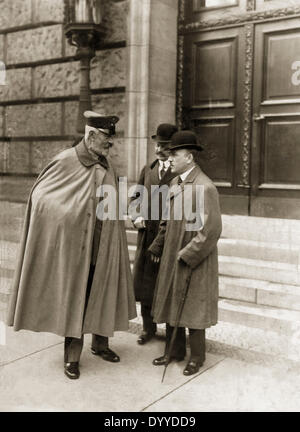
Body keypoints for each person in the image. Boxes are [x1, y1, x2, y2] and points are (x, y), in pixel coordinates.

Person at [6, 110, 137, 380]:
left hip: (104, 244)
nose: (109, 146)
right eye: (105, 140)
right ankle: (72, 357)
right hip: (77, 247)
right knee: (77, 297)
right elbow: (41, 198)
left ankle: (100, 345)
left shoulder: (106, 163)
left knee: (102, 292)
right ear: (90, 136)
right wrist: (72, 215)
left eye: (110, 142)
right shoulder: (66, 160)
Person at [148, 130, 222, 376]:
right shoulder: (174, 184)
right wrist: (158, 245)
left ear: (189, 158)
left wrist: (188, 254)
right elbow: (167, 221)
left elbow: (210, 231)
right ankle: (174, 351)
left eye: (174, 155)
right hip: (172, 253)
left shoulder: (205, 187)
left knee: (193, 307)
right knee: (172, 302)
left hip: (194, 260)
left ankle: (197, 357)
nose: (170, 160)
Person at [130, 124, 178, 345]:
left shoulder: (178, 173)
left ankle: (171, 335)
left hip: (168, 238)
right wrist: (136, 215)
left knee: (166, 285)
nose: (159, 149)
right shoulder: (147, 169)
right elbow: (135, 198)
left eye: (165, 146)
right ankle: (148, 328)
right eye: (158, 144)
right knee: (145, 284)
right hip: (146, 236)